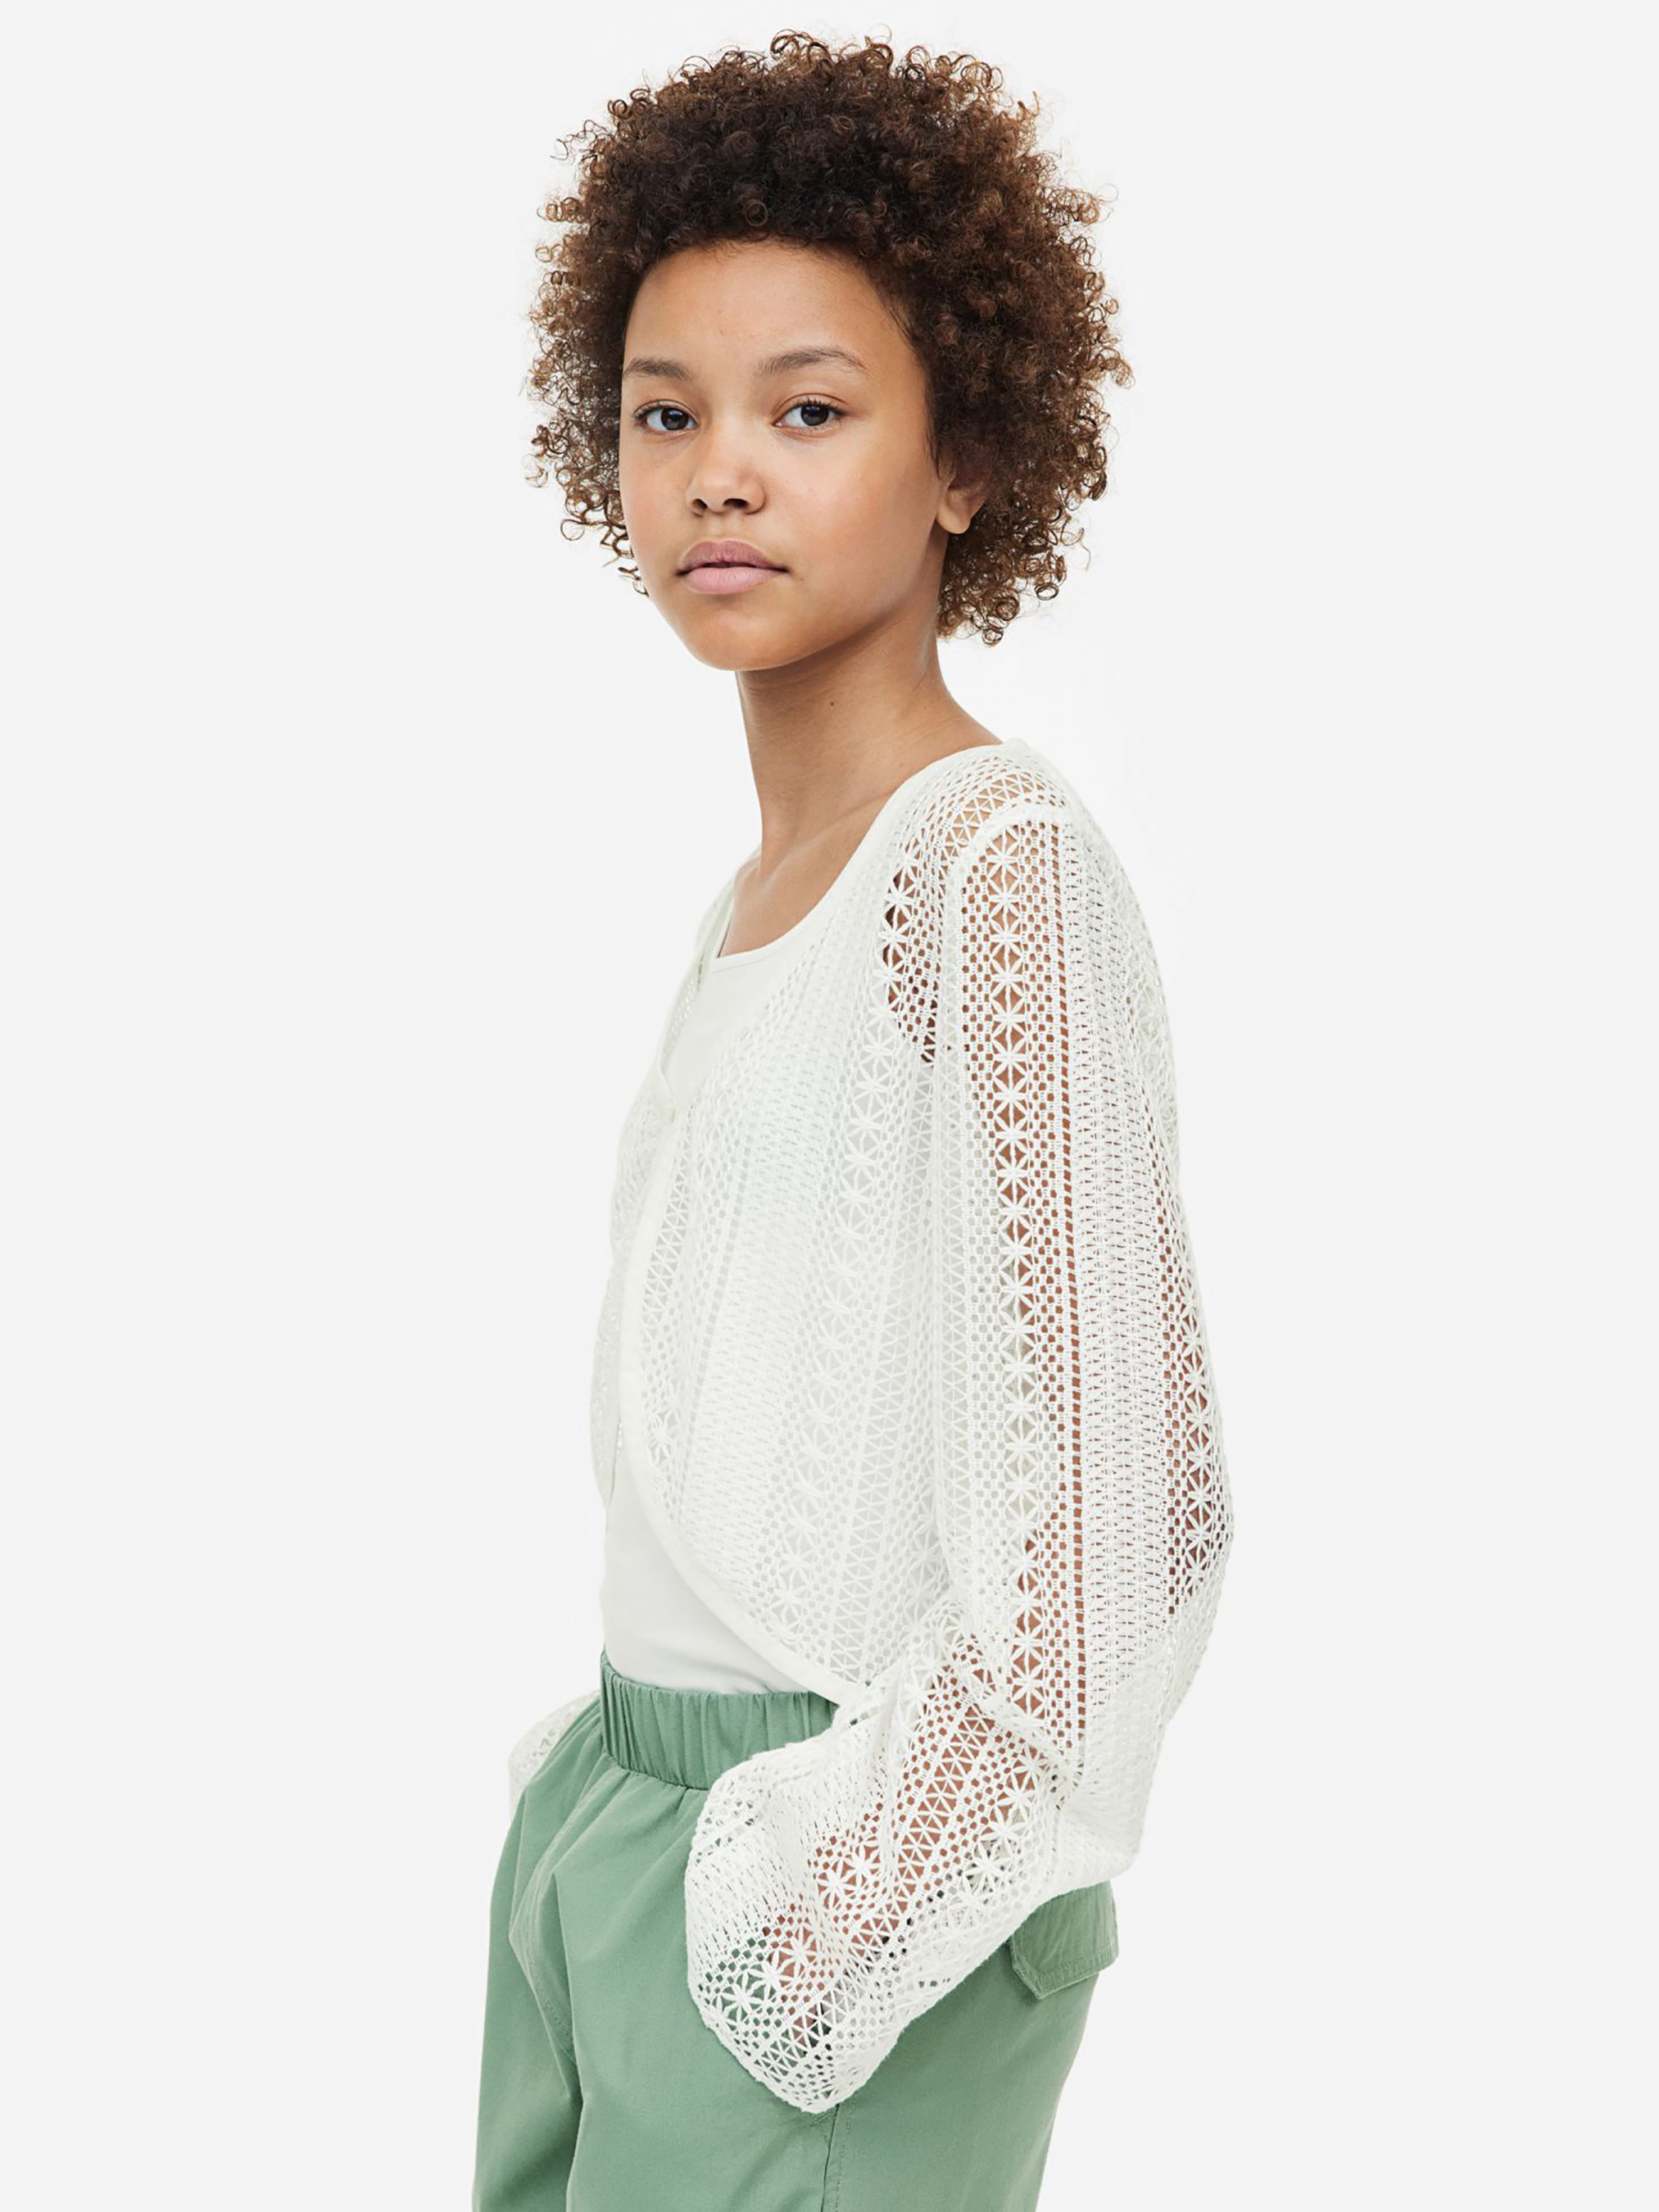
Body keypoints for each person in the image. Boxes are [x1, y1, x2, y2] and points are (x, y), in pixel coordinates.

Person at [473, 30, 1235, 2211]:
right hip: (622, 1835)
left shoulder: (995, 874)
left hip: (830, 1911)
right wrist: (604, 1829)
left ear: (965, 454)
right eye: (666, 412)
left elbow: (1132, 1526)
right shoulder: (753, 901)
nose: (722, 471)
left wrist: (815, 1935)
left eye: (808, 412)